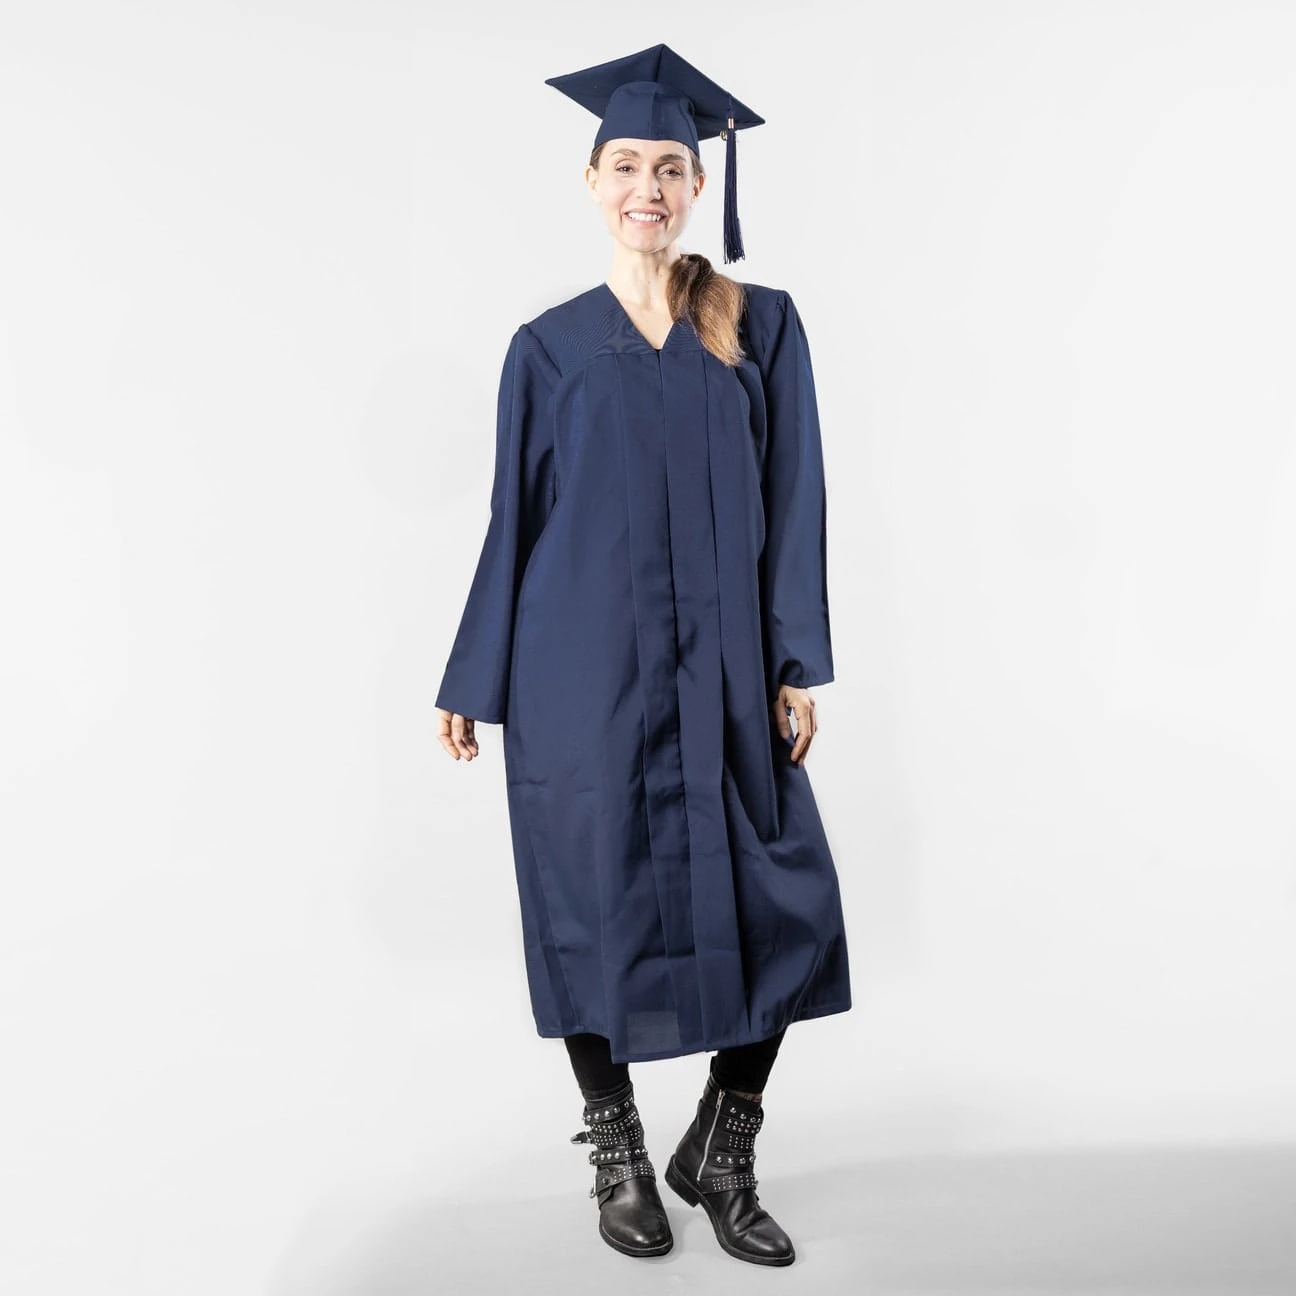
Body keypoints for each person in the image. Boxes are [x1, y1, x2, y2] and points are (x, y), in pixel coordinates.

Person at [433, 43, 851, 1267]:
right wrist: (473, 676)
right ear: (592, 180)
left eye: (670, 167)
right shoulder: (548, 348)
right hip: (581, 681)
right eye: (627, 166)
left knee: (790, 904)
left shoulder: (759, 329)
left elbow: (795, 502)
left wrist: (792, 663)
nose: (648, 188)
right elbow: (516, 520)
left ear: (699, 183)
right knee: (586, 900)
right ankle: (616, 1148)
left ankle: (722, 1146)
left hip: (726, 678)